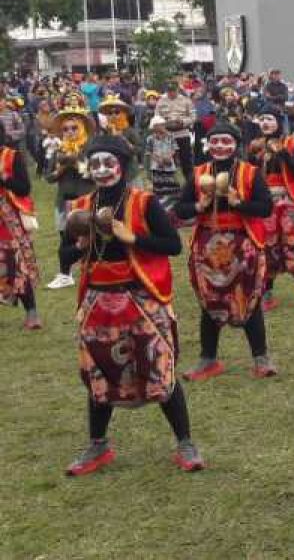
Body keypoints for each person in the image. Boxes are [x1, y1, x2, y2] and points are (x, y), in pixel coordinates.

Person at [63, 135, 204, 476]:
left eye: (108, 163)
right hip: (98, 302)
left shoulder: (144, 202)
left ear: (122, 166)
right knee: (99, 372)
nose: (101, 170)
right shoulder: (81, 206)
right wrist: (80, 244)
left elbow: (172, 245)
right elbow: (65, 258)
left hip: (141, 298)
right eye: (94, 164)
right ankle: (98, 445)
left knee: (159, 367)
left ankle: (185, 443)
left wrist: (133, 239)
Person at [174, 121, 278, 381]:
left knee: (249, 300)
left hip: (242, 246)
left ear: (235, 145)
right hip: (207, 247)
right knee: (209, 303)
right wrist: (200, 206)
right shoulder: (198, 174)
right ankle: (208, 360)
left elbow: (265, 208)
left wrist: (239, 203)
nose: (220, 146)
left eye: (226, 141)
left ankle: (261, 358)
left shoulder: (250, 173)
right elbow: (180, 209)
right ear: (208, 145)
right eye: (215, 141)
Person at [249, 105, 294, 309]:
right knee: (267, 248)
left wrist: (284, 154)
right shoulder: (256, 146)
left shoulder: (293, 143)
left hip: (290, 203)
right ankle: (267, 294)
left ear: (279, 122)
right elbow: (249, 175)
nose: (265, 123)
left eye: (269, 118)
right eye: (262, 119)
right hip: (266, 204)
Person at [45, 106, 96, 291]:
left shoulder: (90, 147)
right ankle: (66, 274)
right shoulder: (58, 148)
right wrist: (61, 169)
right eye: (65, 129)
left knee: (90, 235)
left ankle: (84, 269)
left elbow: (95, 173)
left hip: (86, 199)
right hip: (64, 200)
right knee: (65, 237)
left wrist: (76, 163)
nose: (69, 132)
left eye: (74, 128)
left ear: (81, 127)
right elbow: (48, 176)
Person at [0, 120, 40, 330]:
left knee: (17, 265)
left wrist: (3, 178)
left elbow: (24, 188)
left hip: (9, 221)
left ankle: (32, 313)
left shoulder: (12, 156)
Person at [154, 81, 196, 182]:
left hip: (182, 133)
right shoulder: (161, 101)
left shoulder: (186, 100)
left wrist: (182, 121)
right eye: (169, 91)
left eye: (173, 90)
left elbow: (193, 117)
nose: (171, 93)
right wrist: (163, 126)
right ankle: (168, 186)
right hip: (166, 133)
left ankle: (190, 183)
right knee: (166, 162)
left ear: (178, 89)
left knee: (186, 161)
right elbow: (156, 117)